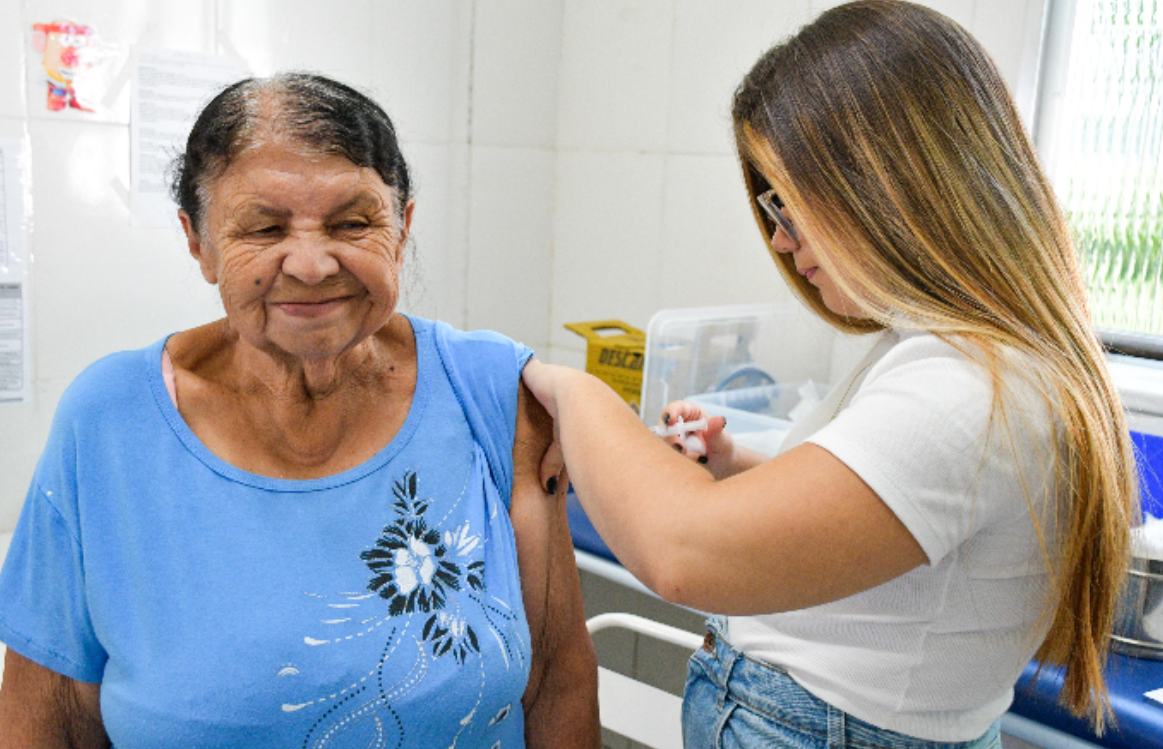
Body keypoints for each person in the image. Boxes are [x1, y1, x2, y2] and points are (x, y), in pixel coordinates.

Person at [522, 2, 1138, 748]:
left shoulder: (968, 388)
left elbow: (684, 554)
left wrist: (570, 389)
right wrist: (737, 467)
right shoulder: (973, 358)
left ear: (886, 179)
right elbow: (898, 520)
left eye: (788, 204)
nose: (780, 241)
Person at [0, 73, 599, 749]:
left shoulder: (493, 394)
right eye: (264, 226)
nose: (312, 264)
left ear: (401, 228)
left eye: (352, 222)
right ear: (198, 242)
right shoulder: (108, 422)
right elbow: (50, 714)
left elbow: (555, 677)